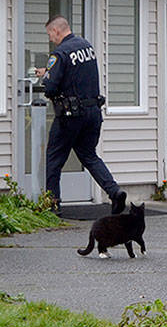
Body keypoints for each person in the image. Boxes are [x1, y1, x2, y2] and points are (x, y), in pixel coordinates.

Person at [33, 15, 127, 214]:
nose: (50, 39)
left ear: (56, 31)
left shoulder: (59, 53)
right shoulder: (86, 46)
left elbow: (50, 87)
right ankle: (115, 192)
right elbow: (76, 75)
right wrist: (48, 71)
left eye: (50, 34)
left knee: (54, 158)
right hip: (93, 112)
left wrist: (47, 77)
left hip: (70, 115)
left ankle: (52, 204)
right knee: (89, 155)